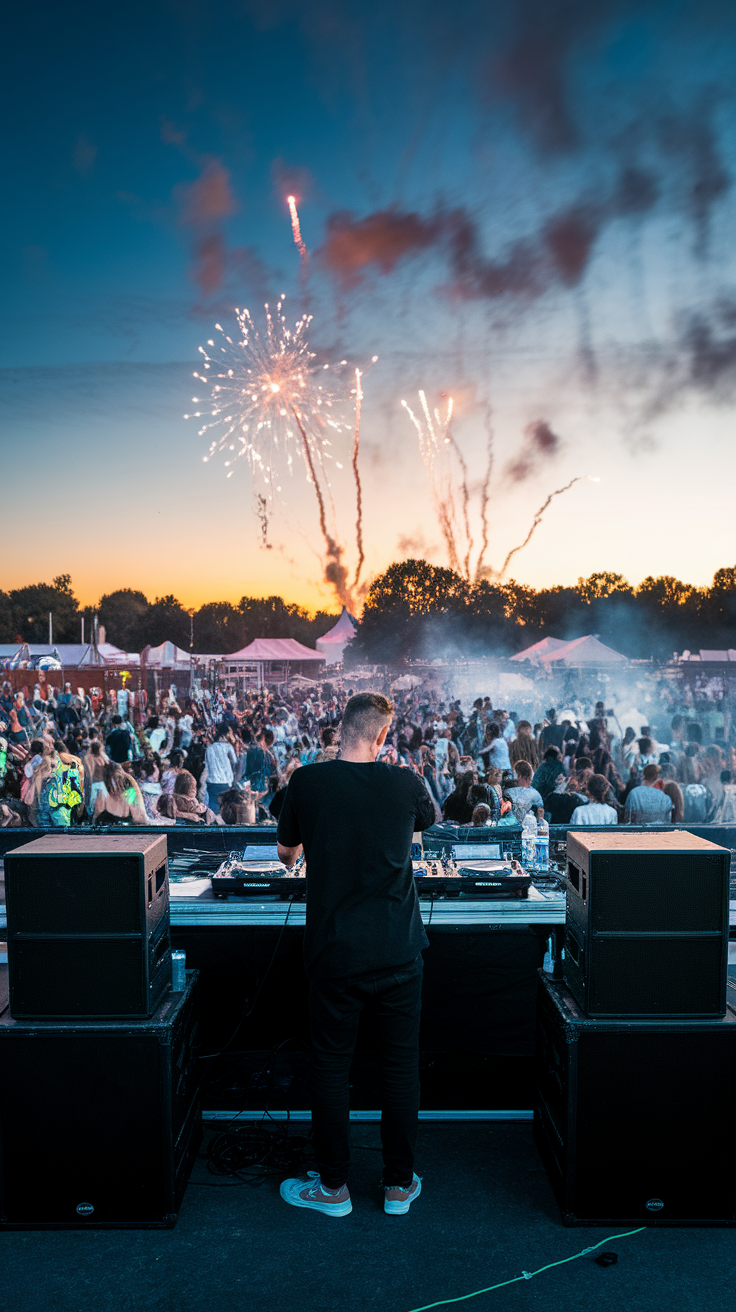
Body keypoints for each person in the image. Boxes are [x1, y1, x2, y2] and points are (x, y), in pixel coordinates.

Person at [276, 692, 435, 1218]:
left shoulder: (306, 781)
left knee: (329, 1068)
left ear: (338, 729)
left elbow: (286, 852)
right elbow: (421, 826)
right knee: (400, 1069)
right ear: (384, 736)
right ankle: (396, 1187)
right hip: (398, 950)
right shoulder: (406, 782)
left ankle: (333, 1189)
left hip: (335, 952)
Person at [204, 726, 237, 813]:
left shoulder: (209, 748)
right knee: (225, 808)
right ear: (223, 736)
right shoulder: (228, 747)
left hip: (212, 781)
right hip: (225, 781)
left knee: (212, 808)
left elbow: (207, 765)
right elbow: (235, 762)